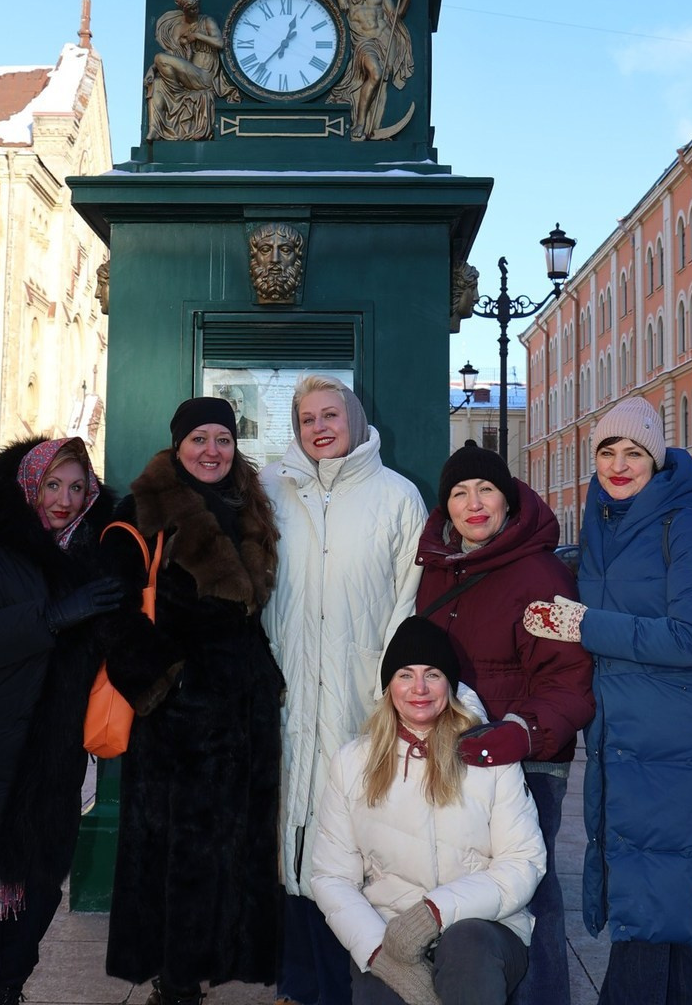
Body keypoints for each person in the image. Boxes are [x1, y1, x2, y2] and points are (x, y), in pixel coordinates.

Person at [522, 395, 692, 1005]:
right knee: (660, 903)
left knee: (644, 899)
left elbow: (691, 638)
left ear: (655, 458)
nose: (617, 463)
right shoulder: (604, 519)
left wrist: (583, 624)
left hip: (671, 734)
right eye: (606, 451)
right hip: (623, 732)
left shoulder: (680, 522)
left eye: (633, 451)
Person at [0, 435, 124, 1005]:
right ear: (28, 486)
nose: (63, 498)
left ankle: (7, 989)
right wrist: (54, 616)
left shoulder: (93, 558)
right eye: (52, 484)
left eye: (77, 487)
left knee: (35, 900)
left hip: (52, 762)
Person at [101, 397, 284, 1005]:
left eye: (223, 440)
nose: (212, 451)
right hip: (179, 725)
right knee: (180, 853)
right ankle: (174, 982)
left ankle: (218, 961)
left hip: (245, 714)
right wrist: (170, 685)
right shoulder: (143, 511)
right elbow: (114, 615)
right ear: (178, 445)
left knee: (235, 849)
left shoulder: (250, 507)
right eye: (199, 439)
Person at [262, 375, 426, 1005]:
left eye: (331, 415)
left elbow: (406, 605)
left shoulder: (396, 497)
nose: (319, 428)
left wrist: (388, 693)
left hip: (361, 702)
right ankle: (298, 982)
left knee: (352, 843)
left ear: (356, 421)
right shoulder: (273, 492)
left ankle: (353, 984)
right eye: (307, 419)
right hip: (289, 695)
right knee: (293, 834)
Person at [416, 443, 594, 1005]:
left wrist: (521, 732)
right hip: (459, 756)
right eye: (460, 492)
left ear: (507, 499)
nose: (474, 503)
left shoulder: (539, 573)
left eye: (486, 490)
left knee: (527, 891)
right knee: (469, 889)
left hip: (527, 759)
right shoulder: (439, 569)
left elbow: (569, 680)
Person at [310, 616, 546, 1005]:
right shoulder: (351, 763)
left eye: (432, 674)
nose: (419, 688)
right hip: (388, 929)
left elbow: (523, 862)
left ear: (449, 685)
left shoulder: (490, 756)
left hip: (486, 928)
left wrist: (436, 913)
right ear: (389, 686)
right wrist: (379, 954)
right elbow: (331, 875)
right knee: (377, 993)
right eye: (405, 674)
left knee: (466, 948)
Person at [314, 0, 412, 140]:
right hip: (362, 41)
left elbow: (394, 16)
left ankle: (370, 128)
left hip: (383, 40)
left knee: (380, 84)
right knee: (375, 73)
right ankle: (359, 123)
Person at [145, 0, 240, 141]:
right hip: (188, 75)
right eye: (192, 9)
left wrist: (197, 36)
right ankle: (154, 129)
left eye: (197, 7)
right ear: (184, 10)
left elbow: (219, 42)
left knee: (159, 58)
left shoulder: (206, 21)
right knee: (157, 84)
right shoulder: (177, 29)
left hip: (204, 76)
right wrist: (152, 69)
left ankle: (176, 91)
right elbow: (173, 55)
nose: (196, 11)